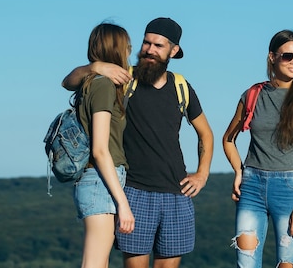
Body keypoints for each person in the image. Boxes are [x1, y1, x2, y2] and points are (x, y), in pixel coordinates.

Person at [62, 17, 214, 268]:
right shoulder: (122, 78)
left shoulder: (181, 87)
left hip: (177, 193)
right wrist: (96, 67)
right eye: (146, 43)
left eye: (158, 46)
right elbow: (68, 82)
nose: (150, 50)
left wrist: (203, 173)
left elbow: (206, 134)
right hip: (134, 191)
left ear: (173, 51)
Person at [222, 29, 293, 268]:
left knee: (287, 263)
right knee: (245, 263)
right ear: (272, 57)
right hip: (252, 187)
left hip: (291, 190)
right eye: (288, 56)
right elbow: (228, 139)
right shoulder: (253, 94)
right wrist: (239, 171)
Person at [73, 22, 135, 268]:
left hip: (97, 180)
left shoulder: (91, 82)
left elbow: (66, 81)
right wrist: (123, 204)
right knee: (95, 263)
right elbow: (100, 149)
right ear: (117, 50)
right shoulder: (103, 86)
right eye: (127, 47)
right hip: (101, 180)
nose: (130, 52)